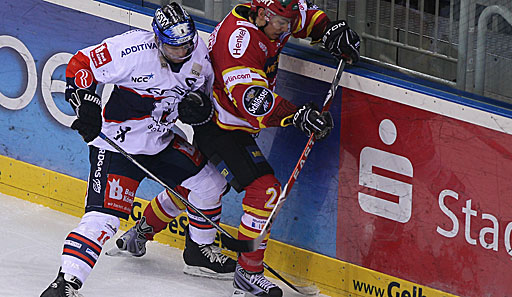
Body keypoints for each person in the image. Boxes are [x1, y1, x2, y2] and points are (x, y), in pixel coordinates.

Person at [120, 0, 360, 296]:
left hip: (231, 122)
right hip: (221, 127)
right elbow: (252, 100)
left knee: (205, 184)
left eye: (287, 23)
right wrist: (296, 115)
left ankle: (142, 229)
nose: (286, 29)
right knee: (265, 191)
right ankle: (249, 272)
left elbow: (303, 17)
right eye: (281, 24)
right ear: (261, 15)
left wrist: (329, 30)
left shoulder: (273, 17)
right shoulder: (239, 42)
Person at [40, 3, 236, 297]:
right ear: (158, 40)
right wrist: (86, 107)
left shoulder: (201, 57)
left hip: (160, 142)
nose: (182, 52)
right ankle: (65, 283)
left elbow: (206, 105)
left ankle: (198, 251)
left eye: (186, 44)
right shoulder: (132, 49)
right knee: (103, 219)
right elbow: (81, 64)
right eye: (174, 47)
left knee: (212, 184)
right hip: (117, 147)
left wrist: (199, 110)